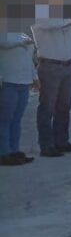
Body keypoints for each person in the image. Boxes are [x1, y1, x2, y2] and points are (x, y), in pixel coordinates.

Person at [31, 16, 71, 157]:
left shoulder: (65, 19)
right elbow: (49, 25)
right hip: (49, 65)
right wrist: (70, 21)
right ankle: (46, 145)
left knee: (64, 106)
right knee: (47, 107)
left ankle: (61, 141)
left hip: (66, 65)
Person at [0, 32, 37, 166]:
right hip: (8, 81)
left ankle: (14, 150)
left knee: (16, 119)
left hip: (24, 81)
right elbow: (4, 43)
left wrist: (35, 77)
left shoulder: (23, 35)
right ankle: (3, 153)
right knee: (5, 119)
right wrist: (20, 43)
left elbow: (29, 59)